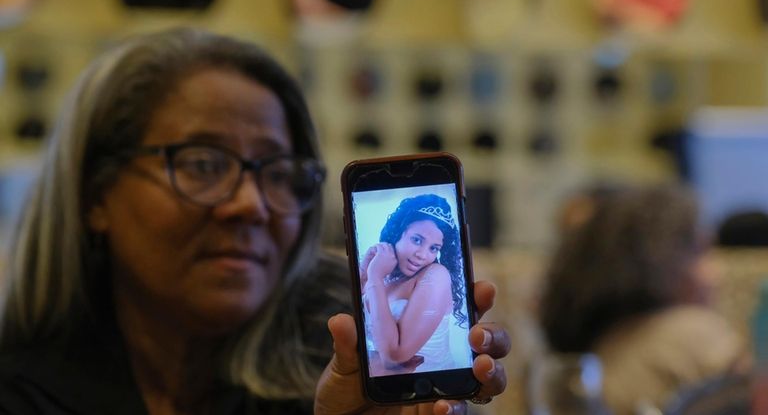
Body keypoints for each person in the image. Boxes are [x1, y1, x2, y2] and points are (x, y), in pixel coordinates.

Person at [0, 28, 509, 414]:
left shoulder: (342, 363)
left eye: (279, 172)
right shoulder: (23, 384)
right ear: (95, 194)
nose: (252, 205)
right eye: (202, 164)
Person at [537, 185, 747, 415]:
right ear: (661, 263)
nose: (715, 274)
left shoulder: (598, 351)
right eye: (700, 251)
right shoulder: (693, 332)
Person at [360, 194, 469, 376]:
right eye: (417, 240)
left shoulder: (435, 275)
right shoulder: (386, 276)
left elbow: (393, 357)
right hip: (379, 392)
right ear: (397, 233)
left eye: (434, 248)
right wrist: (364, 274)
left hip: (432, 390)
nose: (422, 255)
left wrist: (374, 278)